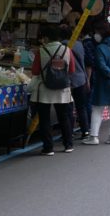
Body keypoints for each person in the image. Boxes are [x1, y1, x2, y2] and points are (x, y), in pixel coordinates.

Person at [29, 25, 76, 155]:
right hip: (62, 89)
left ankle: (48, 148)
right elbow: (72, 70)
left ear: (47, 37)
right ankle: (68, 145)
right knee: (64, 117)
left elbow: (35, 71)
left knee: (44, 119)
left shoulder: (41, 51)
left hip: (44, 89)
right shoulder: (67, 50)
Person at [59, 25, 89, 140]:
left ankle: (69, 132)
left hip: (68, 79)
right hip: (81, 78)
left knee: (68, 108)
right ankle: (85, 130)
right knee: (81, 107)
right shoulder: (80, 44)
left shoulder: (62, 45)